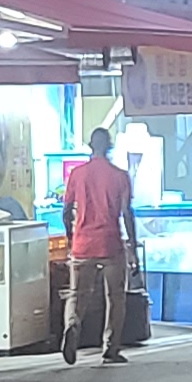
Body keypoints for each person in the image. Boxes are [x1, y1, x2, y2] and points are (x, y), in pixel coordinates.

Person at [61, 124, 139, 365]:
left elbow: (66, 211)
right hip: (110, 244)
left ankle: (73, 325)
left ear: (90, 146)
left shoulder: (77, 174)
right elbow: (127, 213)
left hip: (83, 245)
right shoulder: (120, 175)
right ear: (110, 146)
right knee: (115, 298)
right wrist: (133, 246)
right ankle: (110, 348)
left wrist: (71, 237)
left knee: (77, 294)